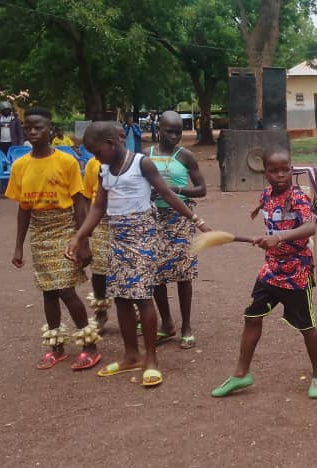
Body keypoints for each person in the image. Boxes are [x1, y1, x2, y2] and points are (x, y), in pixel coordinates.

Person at [66, 120, 210, 388]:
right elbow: (98, 207)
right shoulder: (104, 170)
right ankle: (131, 355)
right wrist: (79, 236)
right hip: (117, 237)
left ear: (111, 144)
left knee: (143, 297)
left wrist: (196, 219)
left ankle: (151, 360)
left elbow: (166, 194)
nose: (95, 158)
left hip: (143, 235)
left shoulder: (142, 163)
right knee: (121, 298)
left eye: (97, 152)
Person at [209, 147, 317, 399]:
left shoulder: (297, 197)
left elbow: (311, 225)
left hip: (296, 272)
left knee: (307, 326)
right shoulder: (266, 194)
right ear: (265, 174)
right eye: (274, 171)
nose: (280, 175)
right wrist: (260, 223)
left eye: (285, 169)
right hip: (271, 270)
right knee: (252, 318)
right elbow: (267, 210)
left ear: (291, 169)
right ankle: (241, 374)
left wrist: (280, 237)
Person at [5, 107, 101, 371]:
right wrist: (18, 247)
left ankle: (89, 344)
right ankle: (56, 346)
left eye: (39, 127)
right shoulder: (20, 165)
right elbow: (23, 209)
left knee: (65, 289)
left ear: (51, 130)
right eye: (28, 128)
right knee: (48, 290)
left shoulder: (67, 162)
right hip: (39, 231)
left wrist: (82, 241)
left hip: (64, 229)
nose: (33, 132)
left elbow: (79, 205)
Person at [150, 111, 206, 349]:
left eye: (178, 132)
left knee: (183, 273)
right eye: (168, 131)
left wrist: (175, 191)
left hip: (180, 218)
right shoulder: (146, 156)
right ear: (158, 129)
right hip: (152, 219)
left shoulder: (186, 156)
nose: (173, 136)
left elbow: (202, 189)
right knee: (155, 274)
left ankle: (186, 326)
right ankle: (167, 323)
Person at [81, 153, 113, 332]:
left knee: (128, 268)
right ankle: (101, 312)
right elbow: (86, 196)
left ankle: (137, 313)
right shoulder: (92, 165)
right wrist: (88, 225)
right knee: (99, 270)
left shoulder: (132, 162)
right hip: (100, 221)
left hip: (124, 220)